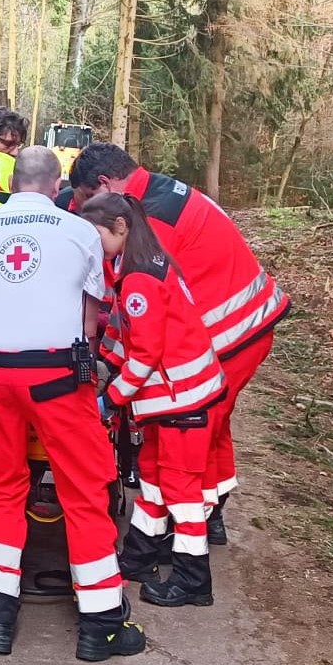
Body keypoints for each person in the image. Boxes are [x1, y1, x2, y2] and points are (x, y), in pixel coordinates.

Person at [0, 145, 145, 662]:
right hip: (57, 375)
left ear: (14, 181)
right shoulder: (79, 231)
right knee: (84, 489)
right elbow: (89, 320)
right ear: (56, 182)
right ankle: (101, 626)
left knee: (1, 489)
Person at [68, 143, 288, 544]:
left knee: (185, 438)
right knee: (213, 428)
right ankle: (211, 515)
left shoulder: (146, 223)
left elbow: (140, 311)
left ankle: (186, 530)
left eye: (87, 204)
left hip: (228, 332)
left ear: (103, 184)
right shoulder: (155, 193)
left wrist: (113, 380)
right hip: (247, 325)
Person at [80, 192, 226, 607]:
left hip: (182, 403)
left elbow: (146, 353)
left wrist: (110, 400)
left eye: (97, 236)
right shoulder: (143, 264)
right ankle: (140, 556)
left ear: (120, 228)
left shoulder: (140, 278)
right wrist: (104, 360)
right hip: (177, 401)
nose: (95, 245)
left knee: (182, 494)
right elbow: (126, 334)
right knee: (154, 480)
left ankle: (193, 580)